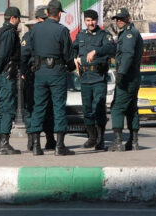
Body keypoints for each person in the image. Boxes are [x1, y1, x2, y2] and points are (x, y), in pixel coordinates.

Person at [27, 0, 76, 156]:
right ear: (59, 14)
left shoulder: (35, 30)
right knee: (58, 108)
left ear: (47, 13)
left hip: (39, 72)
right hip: (57, 72)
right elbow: (68, 55)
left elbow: (32, 50)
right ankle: (60, 146)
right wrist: (72, 67)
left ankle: (36, 146)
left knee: (39, 107)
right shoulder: (62, 31)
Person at [73, 10, 116, 151]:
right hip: (85, 78)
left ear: (97, 20)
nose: (91, 23)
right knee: (87, 110)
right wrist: (74, 57)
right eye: (88, 20)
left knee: (98, 108)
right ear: (85, 21)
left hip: (98, 77)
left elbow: (111, 48)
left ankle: (100, 139)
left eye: (93, 20)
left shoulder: (104, 35)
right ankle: (91, 138)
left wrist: (96, 51)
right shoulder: (81, 36)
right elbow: (73, 48)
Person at [0, 7, 28, 155]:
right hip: (7, 75)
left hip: (1, 75)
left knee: (1, 108)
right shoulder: (10, 33)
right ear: (13, 18)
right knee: (8, 109)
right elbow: (2, 55)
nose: (19, 21)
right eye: (18, 18)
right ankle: (4, 143)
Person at [20, 6, 56, 155]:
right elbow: (23, 56)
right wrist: (23, 72)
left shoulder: (38, 34)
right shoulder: (29, 36)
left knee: (45, 108)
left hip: (41, 74)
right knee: (33, 108)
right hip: (34, 76)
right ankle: (33, 139)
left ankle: (47, 139)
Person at [110, 8, 143, 151]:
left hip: (128, 76)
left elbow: (128, 55)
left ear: (128, 18)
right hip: (133, 75)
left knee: (117, 107)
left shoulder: (129, 34)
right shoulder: (129, 33)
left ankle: (118, 142)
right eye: (117, 19)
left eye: (122, 18)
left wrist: (121, 74)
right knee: (131, 108)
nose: (119, 21)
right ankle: (133, 141)